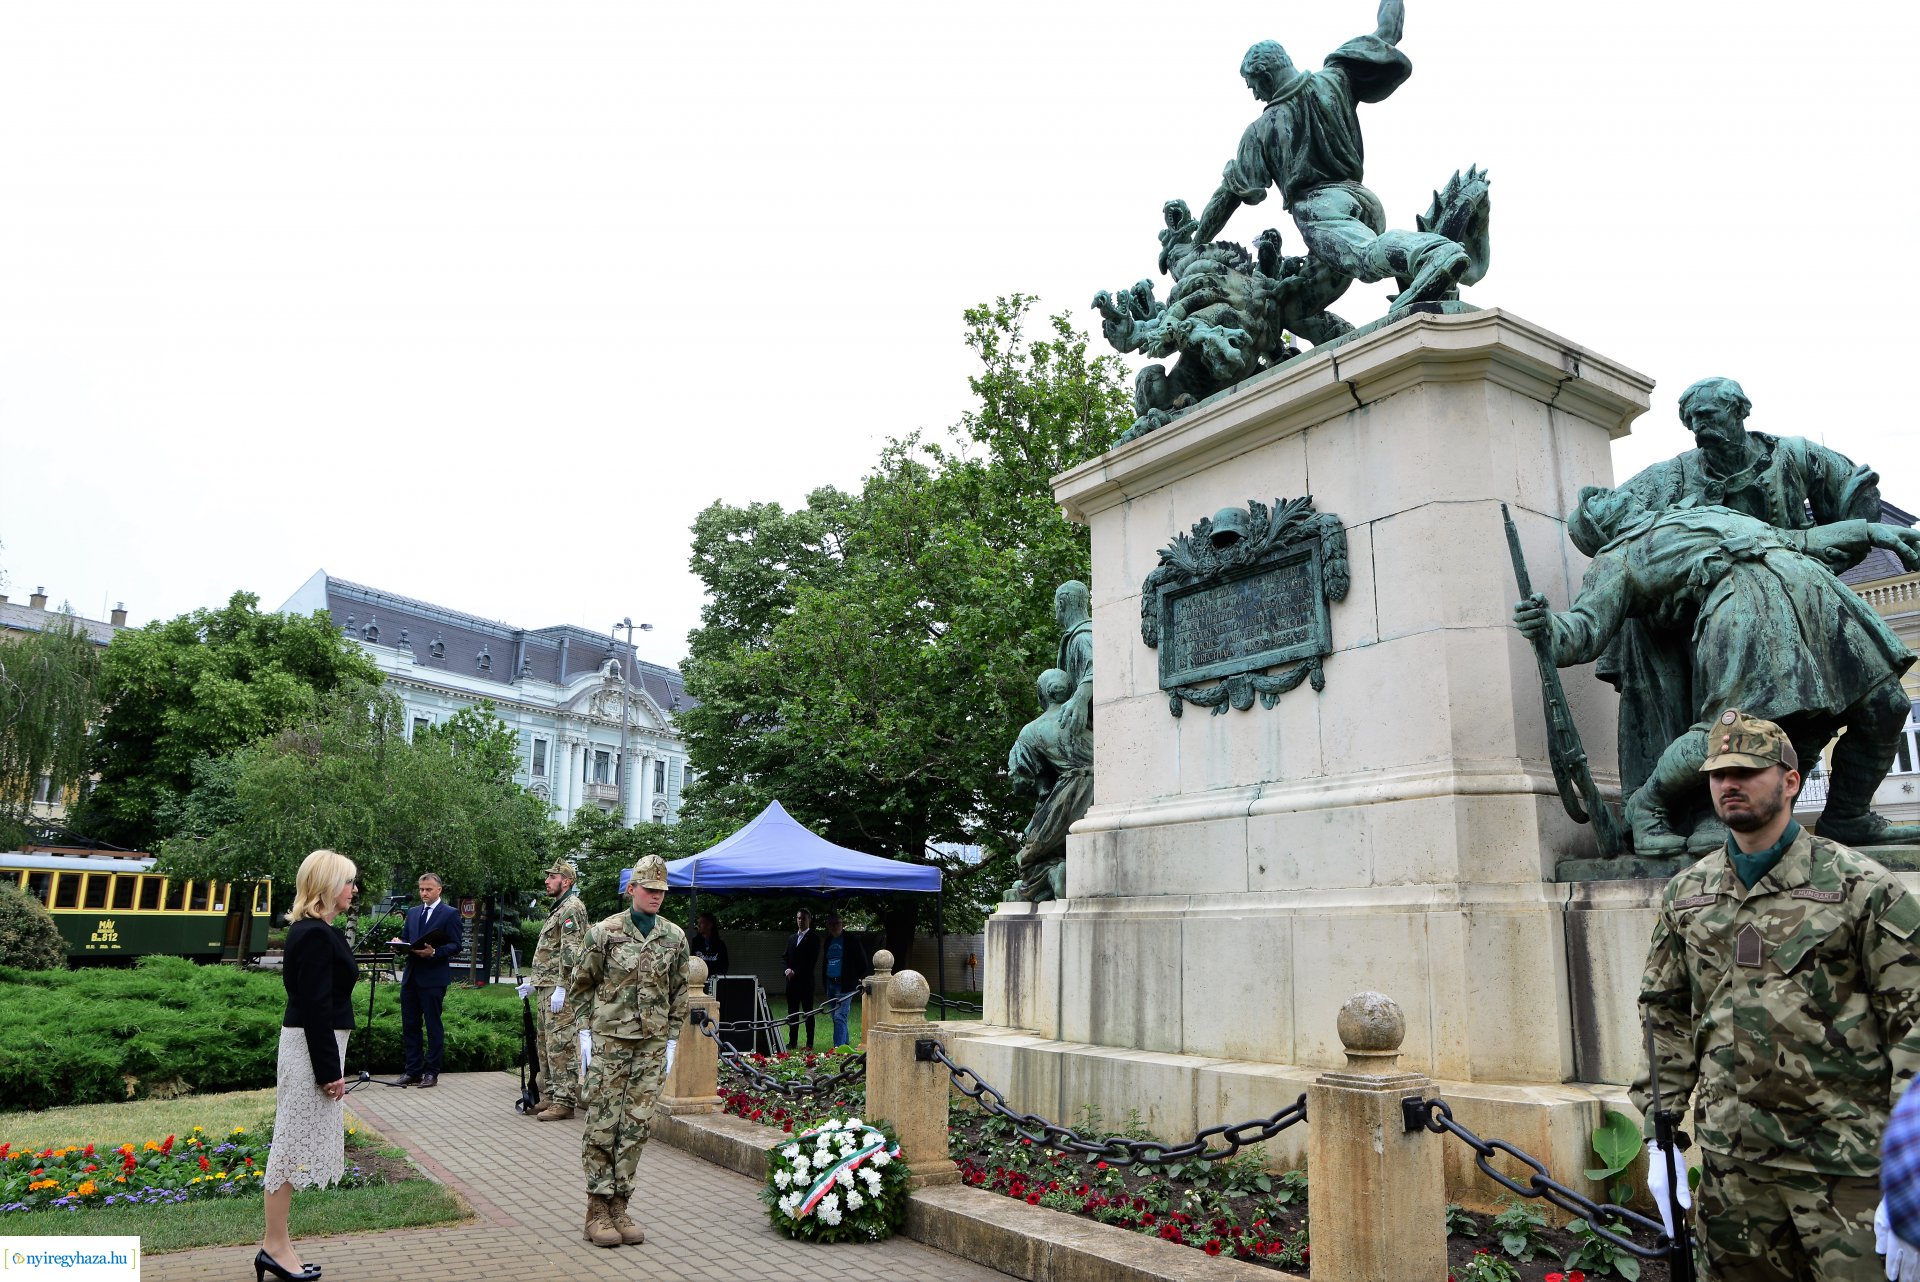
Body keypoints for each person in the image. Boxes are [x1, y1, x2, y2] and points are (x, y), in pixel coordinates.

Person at [1630, 711, 1920, 1282]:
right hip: (1732, 1170)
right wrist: (1660, 1134)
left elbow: (1912, 1022)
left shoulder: (1861, 888)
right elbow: (1664, 1012)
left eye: (1746, 772)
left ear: (1790, 781)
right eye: (1718, 774)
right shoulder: (1688, 893)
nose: (1729, 784)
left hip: (1846, 1171)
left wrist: (1911, 1172)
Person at [1514, 486, 1920, 853]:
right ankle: (1646, 804)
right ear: (1601, 528)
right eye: (1597, 502)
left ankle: (1848, 815)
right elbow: (1585, 628)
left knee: (1887, 706)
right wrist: (1548, 626)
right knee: (1726, 731)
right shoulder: (1617, 557)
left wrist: (1871, 532)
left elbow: (1800, 540)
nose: (1610, 493)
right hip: (1743, 607)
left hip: (1812, 594)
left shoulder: (1704, 511)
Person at [1582, 376, 1884, 838]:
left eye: (1707, 414)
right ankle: (1711, 813)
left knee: (1885, 705)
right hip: (1722, 620)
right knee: (1757, 722)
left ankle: (1848, 815)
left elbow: (1855, 499)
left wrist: (1833, 557)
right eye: (1690, 419)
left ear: (1740, 410)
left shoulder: (1794, 456)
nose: (1698, 426)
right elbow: (1608, 531)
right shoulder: (1671, 478)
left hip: (1806, 602)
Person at [1191, 0, 1471, 308]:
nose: (1255, 94)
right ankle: (1428, 288)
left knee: (1365, 255)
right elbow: (1388, 31)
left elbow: (1229, 194)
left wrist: (1196, 242)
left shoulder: (1260, 130)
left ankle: (1432, 254)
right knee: (1298, 308)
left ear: (1266, 78)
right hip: (1364, 201)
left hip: (1318, 208)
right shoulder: (1336, 77)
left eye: (1253, 86)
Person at [563, 854, 689, 1249]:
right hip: (610, 1043)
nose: (656, 896)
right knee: (603, 1123)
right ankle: (597, 1209)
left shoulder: (674, 937)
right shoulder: (604, 932)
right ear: (632, 889)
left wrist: (672, 1039)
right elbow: (581, 985)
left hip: (651, 1045)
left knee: (636, 1126)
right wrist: (585, 1032)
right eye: (649, 889)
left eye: (661, 890)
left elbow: (679, 991)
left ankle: (620, 1204)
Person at [259, 849, 359, 1282]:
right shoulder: (315, 934)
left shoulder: (316, 930)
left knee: (292, 1145)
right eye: (348, 881)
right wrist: (329, 1071)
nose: (354, 889)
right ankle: (274, 1246)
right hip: (311, 1050)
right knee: (288, 1147)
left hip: (314, 1046)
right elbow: (316, 1007)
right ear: (328, 886)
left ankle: (279, 1244)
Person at [527, 857, 587, 1121]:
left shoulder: (572, 908)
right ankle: (551, 1095)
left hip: (558, 988)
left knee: (560, 1044)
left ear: (567, 881)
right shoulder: (559, 907)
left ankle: (564, 1101)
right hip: (546, 986)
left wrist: (562, 987)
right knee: (545, 1044)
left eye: (552, 877)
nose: (547, 881)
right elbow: (550, 951)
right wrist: (534, 982)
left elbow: (570, 952)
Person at [390, 872, 462, 1087]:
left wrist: (434, 952)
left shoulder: (449, 913)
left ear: (439, 890)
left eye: (428, 889)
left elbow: (456, 945)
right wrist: (398, 944)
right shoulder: (413, 913)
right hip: (411, 977)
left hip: (433, 979)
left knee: (432, 1026)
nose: (424, 893)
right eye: (421, 889)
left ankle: (431, 1072)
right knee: (410, 1025)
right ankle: (413, 1071)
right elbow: (407, 939)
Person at [819, 911, 870, 1048]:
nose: (834, 926)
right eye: (831, 924)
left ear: (843, 924)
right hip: (831, 983)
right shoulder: (828, 940)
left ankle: (839, 1049)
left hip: (845, 984)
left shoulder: (851, 940)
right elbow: (825, 961)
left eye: (837, 923)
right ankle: (845, 1045)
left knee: (839, 1016)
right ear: (828, 926)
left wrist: (856, 978)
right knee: (836, 1017)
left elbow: (862, 962)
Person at [781, 908, 820, 1050]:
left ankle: (810, 1043)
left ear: (809, 920)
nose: (800, 921)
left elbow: (810, 961)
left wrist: (795, 972)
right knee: (792, 1012)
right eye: (798, 918)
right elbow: (785, 957)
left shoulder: (814, 938)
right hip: (791, 983)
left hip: (806, 982)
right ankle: (793, 1042)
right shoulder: (792, 938)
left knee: (808, 1012)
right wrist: (787, 970)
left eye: (803, 918)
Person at [689, 911, 729, 977]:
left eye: (701, 923)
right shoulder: (693, 942)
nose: (698, 925)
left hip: (714, 980)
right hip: (697, 979)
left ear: (709, 925)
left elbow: (724, 966)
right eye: (698, 923)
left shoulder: (720, 945)